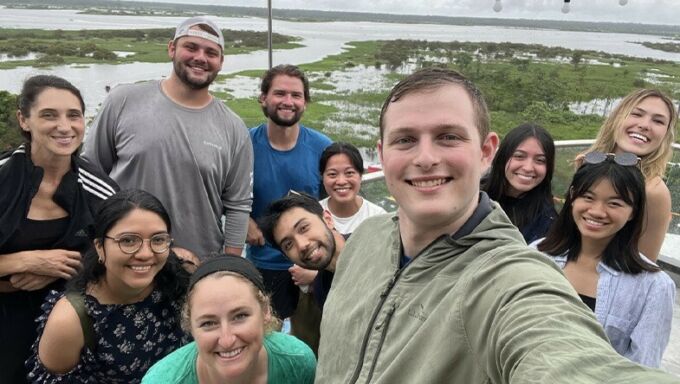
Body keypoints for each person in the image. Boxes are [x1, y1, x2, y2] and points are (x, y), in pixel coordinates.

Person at [315, 67, 679, 383]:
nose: (425, 157)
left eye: (449, 137)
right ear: (382, 154)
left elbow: (562, 353)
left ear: (487, 152)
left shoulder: (510, 277)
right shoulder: (366, 239)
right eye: (405, 139)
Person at [81, 16, 253, 258]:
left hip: (197, 264)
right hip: (124, 258)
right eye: (191, 47)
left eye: (211, 52)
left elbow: (238, 205)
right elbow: (90, 175)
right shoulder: (123, 100)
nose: (201, 58)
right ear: (172, 49)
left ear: (221, 62)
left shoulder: (234, 128)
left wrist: (231, 267)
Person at [0, 75, 118, 384]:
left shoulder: (100, 191)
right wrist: (24, 262)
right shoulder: (2, 179)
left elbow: (120, 257)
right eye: (49, 115)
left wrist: (59, 271)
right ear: (24, 120)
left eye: (73, 115)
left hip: (62, 332)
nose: (64, 127)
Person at [26, 189, 191, 383]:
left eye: (158, 240)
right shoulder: (71, 321)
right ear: (99, 247)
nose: (145, 254)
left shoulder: (180, 282)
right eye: (128, 241)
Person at [534, 153, 675, 368]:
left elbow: (642, 369)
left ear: (632, 211)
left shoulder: (653, 287)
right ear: (572, 197)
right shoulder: (536, 255)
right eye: (588, 198)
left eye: (615, 203)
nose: (597, 211)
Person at [142, 255, 316, 384]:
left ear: (265, 312)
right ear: (190, 327)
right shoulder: (163, 380)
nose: (226, 341)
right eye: (208, 323)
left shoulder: (297, 361)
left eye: (240, 316)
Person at [246, 64, 331, 322]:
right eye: (280, 93)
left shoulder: (322, 147)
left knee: (315, 336)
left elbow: (335, 202)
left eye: (296, 95)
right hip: (265, 263)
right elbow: (220, 192)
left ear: (305, 102)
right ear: (264, 98)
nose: (288, 101)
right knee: (270, 335)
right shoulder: (244, 145)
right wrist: (244, 221)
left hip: (314, 263)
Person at [582, 88, 677, 261]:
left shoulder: (652, 190)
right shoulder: (588, 165)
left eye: (658, 121)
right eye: (636, 114)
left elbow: (643, 265)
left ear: (665, 135)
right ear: (617, 118)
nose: (645, 125)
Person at [260, 192, 346, 308]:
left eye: (304, 228)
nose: (301, 245)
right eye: (288, 244)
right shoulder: (323, 291)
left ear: (327, 219)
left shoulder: (373, 244)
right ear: (286, 256)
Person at [482, 123, 556, 243]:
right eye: (519, 156)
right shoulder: (474, 196)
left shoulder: (547, 220)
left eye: (540, 160)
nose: (528, 168)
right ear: (503, 157)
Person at [318, 142, 386, 236]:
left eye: (349, 173)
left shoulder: (378, 217)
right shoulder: (314, 214)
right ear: (322, 177)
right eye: (332, 174)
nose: (341, 181)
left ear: (361, 175)